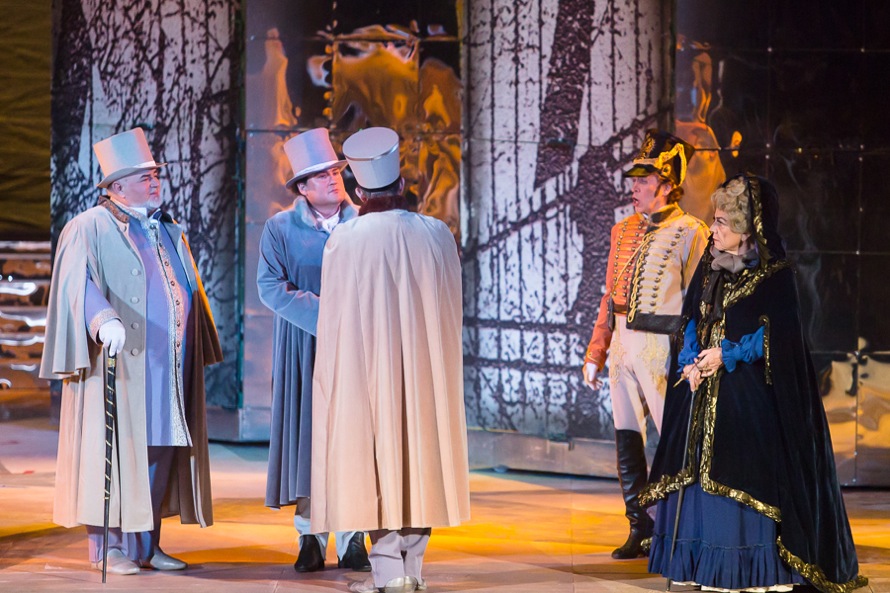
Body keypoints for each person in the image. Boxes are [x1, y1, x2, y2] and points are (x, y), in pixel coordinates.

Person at [641, 174, 868, 593]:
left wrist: (726, 354)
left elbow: (778, 336)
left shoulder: (775, 276)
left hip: (747, 398)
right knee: (694, 474)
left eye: (722, 221)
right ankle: (700, 565)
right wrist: (691, 359)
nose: (713, 228)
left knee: (738, 472)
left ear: (747, 229)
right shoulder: (709, 267)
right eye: (715, 219)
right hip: (702, 393)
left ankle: (747, 570)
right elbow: (691, 317)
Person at [39, 127, 222, 575]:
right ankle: (110, 548)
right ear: (117, 187)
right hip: (119, 365)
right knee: (115, 451)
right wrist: (102, 320)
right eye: (144, 176)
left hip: (166, 366)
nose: (154, 181)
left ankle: (146, 544)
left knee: (158, 449)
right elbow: (77, 284)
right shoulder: (89, 226)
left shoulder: (167, 229)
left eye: (155, 174)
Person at [310, 127, 470, 593]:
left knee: (375, 459)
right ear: (401, 184)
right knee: (421, 456)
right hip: (425, 369)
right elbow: (451, 306)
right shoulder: (436, 233)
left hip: (368, 371)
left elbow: (335, 318)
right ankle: (413, 568)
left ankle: (389, 570)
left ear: (359, 193)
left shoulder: (345, 238)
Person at [582, 129, 709, 559]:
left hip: (663, 348)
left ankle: (679, 528)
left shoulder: (692, 232)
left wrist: (692, 357)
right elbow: (610, 297)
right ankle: (640, 524)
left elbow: (699, 303)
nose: (634, 188)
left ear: (668, 185)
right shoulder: (622, 231)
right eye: (634, 180)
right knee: (626, 436)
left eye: (644, 180)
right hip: (623, 347)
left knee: (674, 440)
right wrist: (597, 350)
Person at [256, 128, 370, 573]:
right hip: (303, 347)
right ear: (302, 187)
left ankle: (353, 535)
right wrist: (327, 313)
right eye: (321, 175)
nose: (332, 179)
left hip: (357, 345)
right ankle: (309, 535)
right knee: (307, 438)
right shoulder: (280, 228)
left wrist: (353, 317)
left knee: (354, 435)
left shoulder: (364, 222)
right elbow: (270, 286)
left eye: (336, 172)